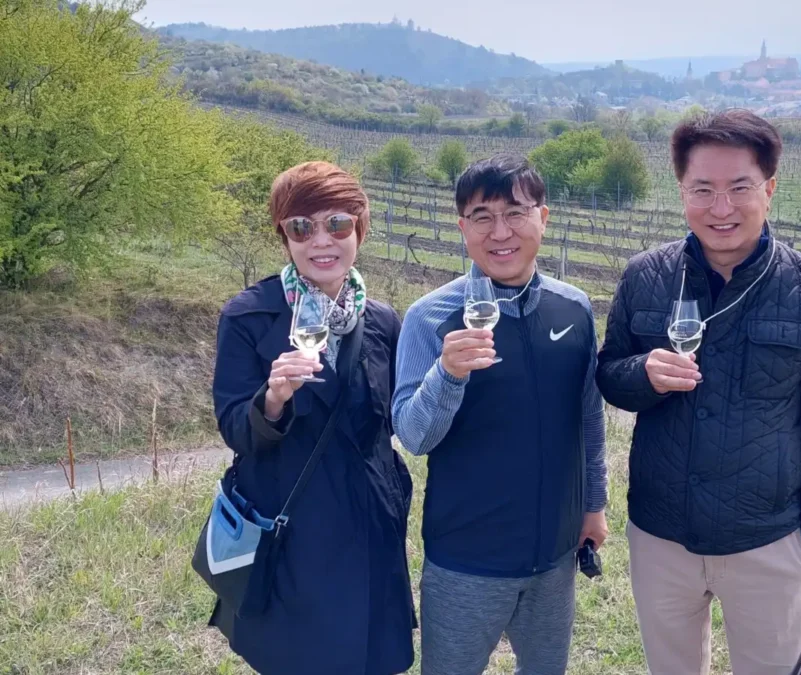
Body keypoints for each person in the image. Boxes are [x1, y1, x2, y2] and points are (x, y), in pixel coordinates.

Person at [595, 109, 801, 675]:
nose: (721, 208)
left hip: (768, 539)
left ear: (769, 189)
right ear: (681, 192)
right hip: (661, 535)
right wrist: (644, 373)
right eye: (703, 190)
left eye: (740, 187)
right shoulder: (646, 276)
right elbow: (609, 374)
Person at [391, 154, 608, 675]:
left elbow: (588, 417)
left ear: (543, 218)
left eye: (515, 213)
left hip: (554, 557)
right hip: (466, 560)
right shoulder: (430, 317)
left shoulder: (574, 308)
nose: (501, 232)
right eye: (482, 217)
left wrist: (593, 506)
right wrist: (448, 374)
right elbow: (413, 436)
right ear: (462, 228)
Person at [209, 161, 416, 674]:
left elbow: (398, 421)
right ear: (284, 235)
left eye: (337, 224)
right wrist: (273, 399)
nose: (322, 240)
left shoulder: (383, 321)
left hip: (370, 528)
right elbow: (235, 427)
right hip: (292, 533)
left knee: (370, 660)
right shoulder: (249, 315)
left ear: (359, 229)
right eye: (302, 227)